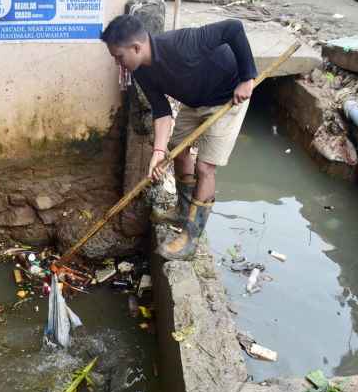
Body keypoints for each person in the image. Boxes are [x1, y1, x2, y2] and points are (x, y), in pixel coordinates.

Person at [101, 15, 256, 260]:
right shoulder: (141, 71)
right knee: (177, 151)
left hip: (228, 98)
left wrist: (247, 78)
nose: (118, 64)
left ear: (136, 47)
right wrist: (159, 153)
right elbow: (161, 112)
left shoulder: (183, 43)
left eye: (119, 57)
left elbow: (233, 28)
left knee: (205, 166)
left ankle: (191, 236)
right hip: (194, 102)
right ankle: (183, 211)